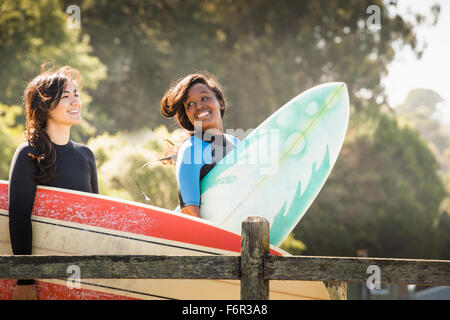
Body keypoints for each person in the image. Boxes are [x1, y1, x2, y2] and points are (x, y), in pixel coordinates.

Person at [8, 66, 98, 300]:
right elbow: (19, 219)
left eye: (76, 94)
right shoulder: (29, 153)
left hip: (80, 273)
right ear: (45, 105)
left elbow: (95, 220)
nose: (75, 101)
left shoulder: (86, 155)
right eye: (66, 96)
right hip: (42, 275)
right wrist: (25, 279)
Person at [160, 72, 239, 218]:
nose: (199, 106)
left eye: (204, 98)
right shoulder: (190, 151)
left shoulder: (236, 143)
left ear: (220, 102)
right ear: (188, 115)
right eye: (190, 104)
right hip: (210, 237)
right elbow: (190, 212)